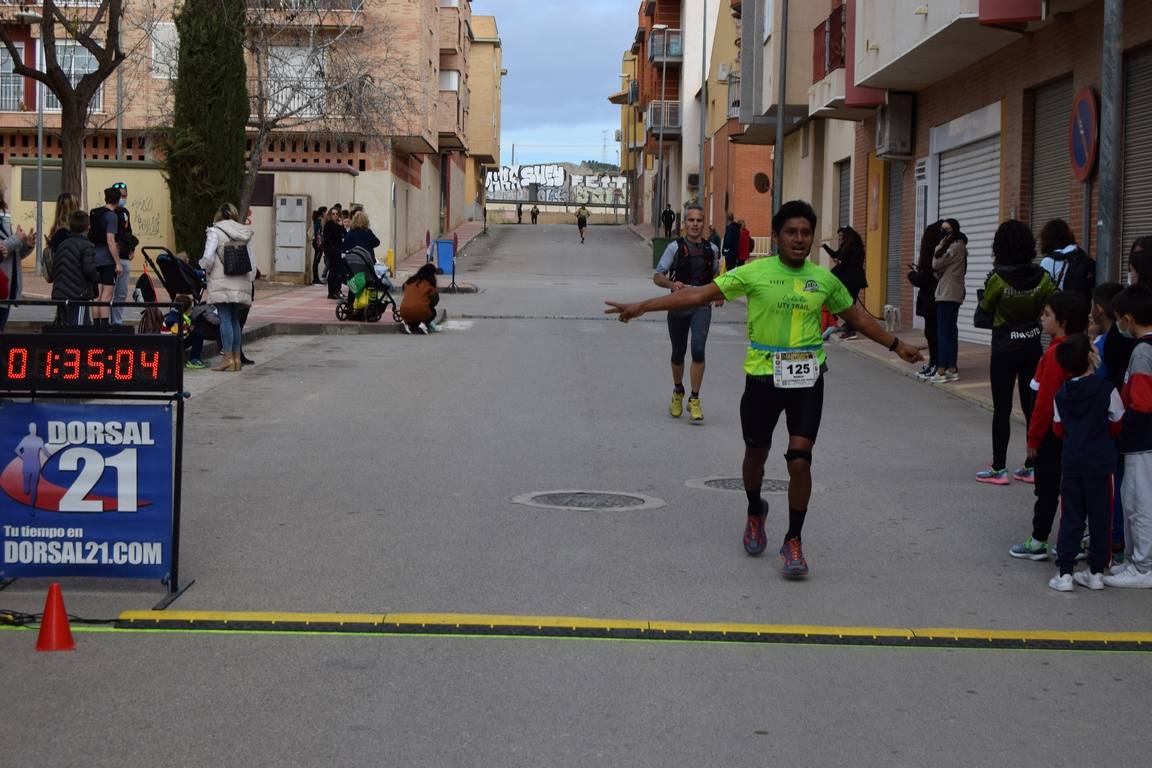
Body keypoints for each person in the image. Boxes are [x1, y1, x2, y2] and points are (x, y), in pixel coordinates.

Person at [606, 200, 923, 579]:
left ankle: (793, 541)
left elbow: (854, 315)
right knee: (755, 454)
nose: (799, 239)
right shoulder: (754, 273)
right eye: (791, 232)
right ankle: (756, 510)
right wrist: (643, 306)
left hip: (807, 381)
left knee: (800, 459)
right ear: (776, 237)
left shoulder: (823, 279)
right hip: (762, 378)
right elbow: (696, 295)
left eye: (806, 232)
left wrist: (895, 345)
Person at [972, 220, 1057, 485]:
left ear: (1000, 246)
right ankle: (1033, 465)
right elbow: (1055, 304)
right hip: (1032, 348)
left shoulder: (996, 279)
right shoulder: (1043, 278)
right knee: (1033, 406)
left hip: (1003, 349)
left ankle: (999, 469)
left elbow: (982, 315)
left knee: (1002, 408)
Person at [1010, 291, 1090, 561]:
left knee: (1046, 489)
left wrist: (1033, 440)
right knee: (1073, 489)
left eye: (1046, 315)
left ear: (1063, 321)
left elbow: (1044, 402)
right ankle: (1075, 539)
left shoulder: (1057, 354)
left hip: (1052, 435)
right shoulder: (1080, 348)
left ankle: (1038, 541)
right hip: (1076, 433)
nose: (1041, 319)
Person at [1045, 333, 1124, 591]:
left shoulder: (1062, 394)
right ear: (1091, 357)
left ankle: (1065, 572)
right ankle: (1096, 572)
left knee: (1072, 517)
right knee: (1101, 518)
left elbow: (1057, 429)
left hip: (1072, 464)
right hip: (1101, 464)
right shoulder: (1107, 389)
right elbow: (1117, 422)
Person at [652, 205, 722, 422]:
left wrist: (719, 292)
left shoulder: (712, 249)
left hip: (701, 303)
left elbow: (717, 276)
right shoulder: (674, 247)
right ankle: (677, 391)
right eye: (691, 220)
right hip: (679, 303)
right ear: (685, 224)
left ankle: (694, 398)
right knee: (678, 352)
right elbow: (658, 275)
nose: (694, 224)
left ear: (704, 224)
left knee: (698, 350)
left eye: (699, 220)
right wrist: (672, 285)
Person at [1104, 284, 1152, 588]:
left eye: (1119, 318)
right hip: (1144, 441)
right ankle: (1137, 561)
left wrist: (1122, 433)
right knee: (1137, 503)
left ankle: (1143, 566)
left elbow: (1142, 403)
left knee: (1138, 505)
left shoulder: (1142, 351)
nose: (1118, 324)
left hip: (1141, 443)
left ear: (1129, 319)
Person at [200, 203, 254, 372]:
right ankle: (237, 359)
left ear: (218, 216)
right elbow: (251, 260)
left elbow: (208, 258)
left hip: (222, 280)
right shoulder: (244, 232)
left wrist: (205, 270)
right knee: (234, 320)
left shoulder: (215, 232)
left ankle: (227, 358)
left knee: (224, 318)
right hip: (241, 280)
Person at [930, 218, 967, 382]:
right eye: (942, 229)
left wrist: (940, 245)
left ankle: (942, 369)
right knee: (951, 331)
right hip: (954, 292)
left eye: (947, 229)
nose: (943, 232)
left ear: (954, 230)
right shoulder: (959, 247)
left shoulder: (954, 246)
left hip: (947, 293)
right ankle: (952, 367)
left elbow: (936, 264)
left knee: (943, 332)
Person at [49, 210, 98, 326]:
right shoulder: (87, 246)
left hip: (60, 292)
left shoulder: (63, 244)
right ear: (88, 227)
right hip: (79, 294)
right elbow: (89, 269)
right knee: (79, 329)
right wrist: (97, 277)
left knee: (64, 327)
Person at [907, 220, 942, 380]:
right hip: (938, 297)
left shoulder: (933, 254)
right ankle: (935, 363)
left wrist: (912, 274)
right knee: (934, 333)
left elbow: (922, 279)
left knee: (932, 333)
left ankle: (935, 364)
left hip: (931, 298)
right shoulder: (941, 251)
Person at [0, 185, 37, 332]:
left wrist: (25, 245)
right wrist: (17, 239)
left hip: (6, 290)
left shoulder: (5, 222)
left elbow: (12, 255)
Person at [88, 186, 123, 326]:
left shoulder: (94, 212)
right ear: (118, 200)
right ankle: (104, 325)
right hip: (107, 259)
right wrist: (118, 262)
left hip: (93, 257)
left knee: (96, 295)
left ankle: (96, 324)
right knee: (107, 294)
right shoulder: (112, 216)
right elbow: (110, 240)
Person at [1038, 219, 1094, 299]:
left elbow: (1042, 292)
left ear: (1046, 239)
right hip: (1084, 307)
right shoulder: (1080, 254)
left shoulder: (1048, 261)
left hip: (1062, 307)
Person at [828, 226, 867, 340]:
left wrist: (829, 276)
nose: (840, 238)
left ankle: (851, 331)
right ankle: (850, 326)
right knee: (850, 304)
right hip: (856, 280)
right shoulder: (859, 248)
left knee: (848, 306)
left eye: (841, 235)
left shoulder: (849, 249)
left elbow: (843, 266)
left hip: (850, 281)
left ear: (847, 235)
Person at [110, 182, 136, 326]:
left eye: (125, 196)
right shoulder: (109, 213)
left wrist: (132, 248)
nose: (123, 198)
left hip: (125, 258)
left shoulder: (125, 213)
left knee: (121, 293)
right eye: (120, 195)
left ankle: (117, 322)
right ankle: (104, 321)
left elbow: (128, 233)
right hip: (112, 258)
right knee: (108, 293)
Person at [163, 294, 207, 369]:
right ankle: (193, 359)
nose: (191, 310)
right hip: (174, 344)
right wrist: (189, 330)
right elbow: (181, 336)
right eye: (190, 308)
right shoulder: (179, 320)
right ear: (186, 309)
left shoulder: (170, 314)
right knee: (198, 334)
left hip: (168, 342)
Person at [399, 262, 441, 334]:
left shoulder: (410, 281)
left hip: (403, 312)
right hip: (420, 311)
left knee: (415, 316)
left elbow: (404, 290)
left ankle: (406, 324)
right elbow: (435, 300)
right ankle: (423, 325)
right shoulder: (429, 283)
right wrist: (428, 303)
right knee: (433, 312)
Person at [323, 207, 347, 300]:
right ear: (330, 215)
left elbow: (345, 235)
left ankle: (336, 291)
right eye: (333, 214)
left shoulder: (337, 225)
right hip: (332, 251)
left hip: (337, 251)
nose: (335, 215)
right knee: (334, 271)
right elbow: (331, 238)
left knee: (337, 271)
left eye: (337, 214)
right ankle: (332, 292)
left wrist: (341, 225)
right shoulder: (329, 224)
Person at [311, 206, 328, 285]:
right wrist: (320, 245)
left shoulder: (319, 220)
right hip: (318, 243)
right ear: (323, 212)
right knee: (316, 261)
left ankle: (316, 278)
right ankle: (315, 278)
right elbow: (318, 234)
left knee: (316, 261)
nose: (326, 213)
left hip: (318, 243)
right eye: (325, 212)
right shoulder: (319, 221)